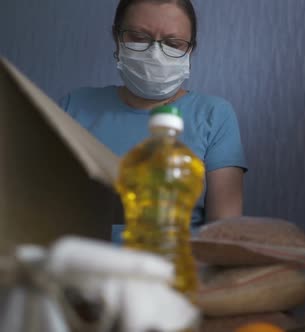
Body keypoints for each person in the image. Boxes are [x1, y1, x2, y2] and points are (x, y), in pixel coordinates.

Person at [59, 0, 247, 242]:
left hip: (176, 270)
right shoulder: (74, 106)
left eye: (173, 43)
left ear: (190, 50)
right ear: (117, 38)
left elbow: (225, 232)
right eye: (138, 37)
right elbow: (40, 203)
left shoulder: (214, 114)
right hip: (80, 267)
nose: (155, 53)